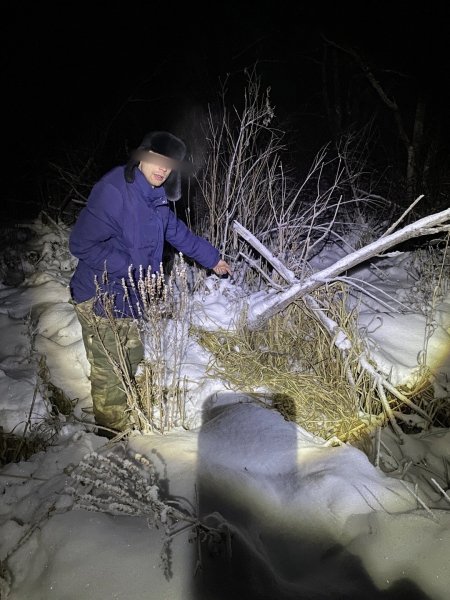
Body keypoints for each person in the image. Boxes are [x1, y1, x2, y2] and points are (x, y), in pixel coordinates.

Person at [69, 130, 231, 435]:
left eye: (169, 164)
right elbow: (80, 245)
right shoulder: (114, 190)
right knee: (110, 373)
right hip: (100, 295)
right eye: (156, 159)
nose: (162, 168)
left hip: (131, 297)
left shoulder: (156, 196)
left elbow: (177, 232)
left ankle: (124, 413)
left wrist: (212, 258)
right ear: (141, 155)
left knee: (130, 358)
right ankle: (112, 437)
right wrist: (130, 269)